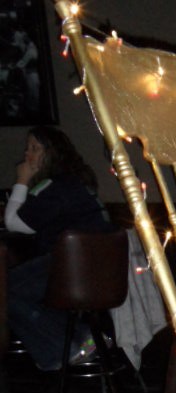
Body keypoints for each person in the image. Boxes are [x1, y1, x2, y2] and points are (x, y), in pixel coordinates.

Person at [4, 126, 113, 372]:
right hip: (98, 269)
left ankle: (72, 343)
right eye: (26, 148)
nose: (26, 155)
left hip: (74, 268)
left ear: (52, 153)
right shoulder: (72, 184)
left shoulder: (54, 186)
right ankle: (82, 340)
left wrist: (21, 181)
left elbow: (14, 223)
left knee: (4, 290)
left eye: (34, 148)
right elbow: (30, 227)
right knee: (17, 289)